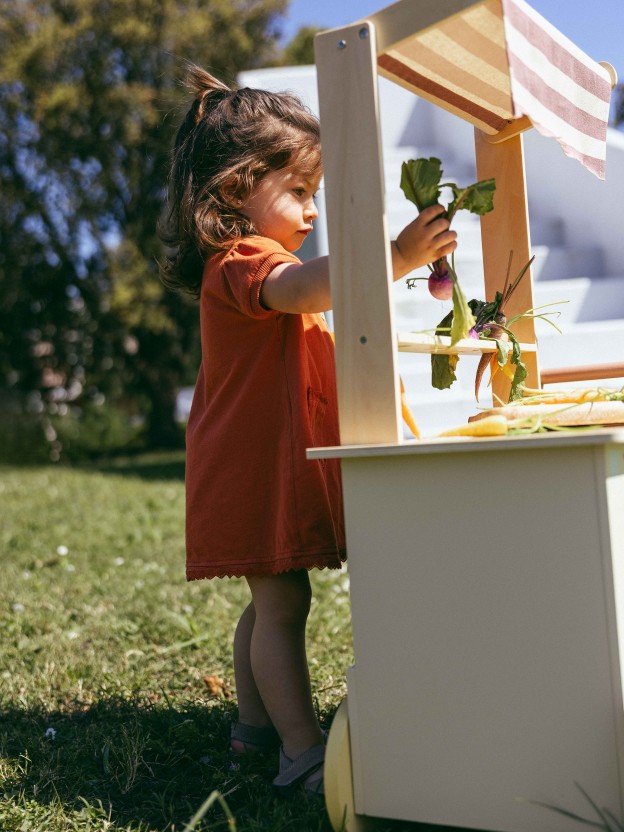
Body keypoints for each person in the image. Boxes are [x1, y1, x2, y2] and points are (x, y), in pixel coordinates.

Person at [159, 64, 457, 798]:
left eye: (315, 195)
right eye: (298, 193)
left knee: (274, 601)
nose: (312, 211)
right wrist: (390, 260)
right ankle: (301, 752)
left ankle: (253, 730)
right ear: (235, 191)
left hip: (257, 458)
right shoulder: (244, 261)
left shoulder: (258, 256)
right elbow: (300, 291)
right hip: (249, 463)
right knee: (283, 605)